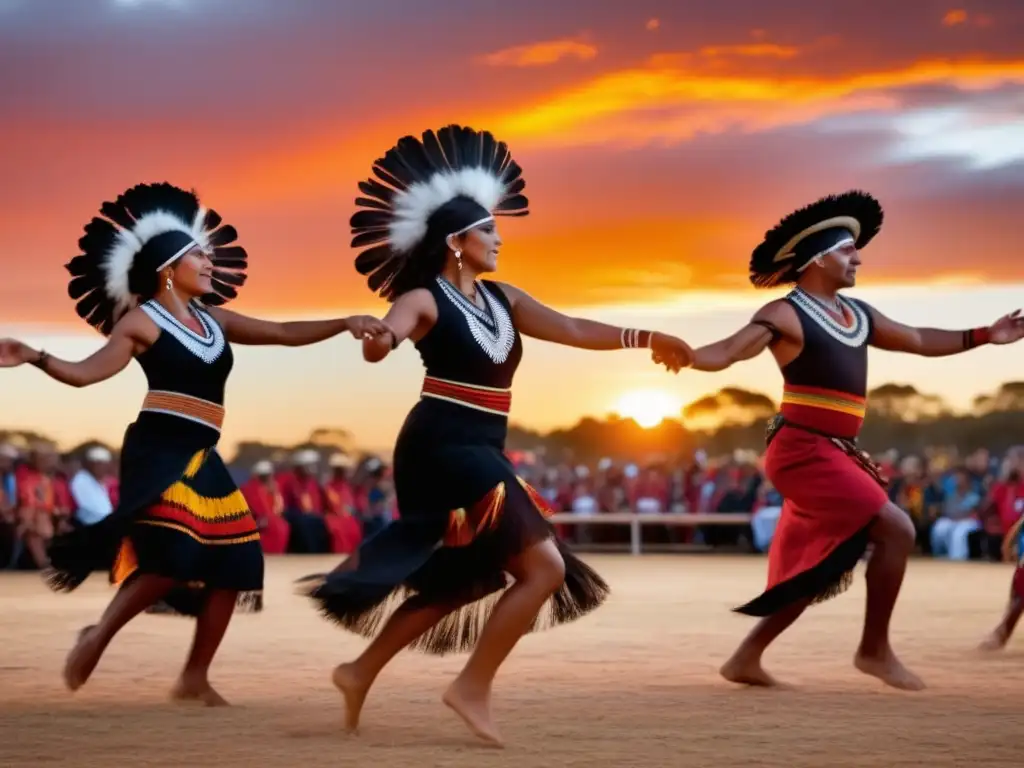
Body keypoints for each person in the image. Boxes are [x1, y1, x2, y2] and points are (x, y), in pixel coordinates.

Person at [300, 124, 693, 746]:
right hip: (438, 446)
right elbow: (388, 336)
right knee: (545, 569)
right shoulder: (423, 297)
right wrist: (379, 337)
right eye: (488, 230)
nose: (499, 239)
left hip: (481, 447)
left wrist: (646, 338)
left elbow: (569, 326)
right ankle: (471, 687)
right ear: (457, 241)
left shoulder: (504, 299)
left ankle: (359, 671)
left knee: (470, 578)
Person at [0, 182, 388, 703]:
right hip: (159, 450)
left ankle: (193, 677)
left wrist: (344, 322)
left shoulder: (216, 321)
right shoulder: (142, 321)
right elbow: (86, 373)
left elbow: (281, 332)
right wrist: (35, 356)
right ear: (168, 268)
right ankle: (98, 635)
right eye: (198, 256)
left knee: (238, 560)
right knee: (175, 557)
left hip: (203, 453)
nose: (210, 264)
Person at [667, 190, 1024, 691]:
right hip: (801, 452)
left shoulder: (858, 315)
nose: (857, 258)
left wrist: (987, 333)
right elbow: (729, 350)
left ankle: (746, 658)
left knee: (822, 562)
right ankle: (873, 651)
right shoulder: (786, 313)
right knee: (897, 529)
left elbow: (919, 339)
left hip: (837, 453)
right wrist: (689, 356)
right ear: (816, 259)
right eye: (846, 250)